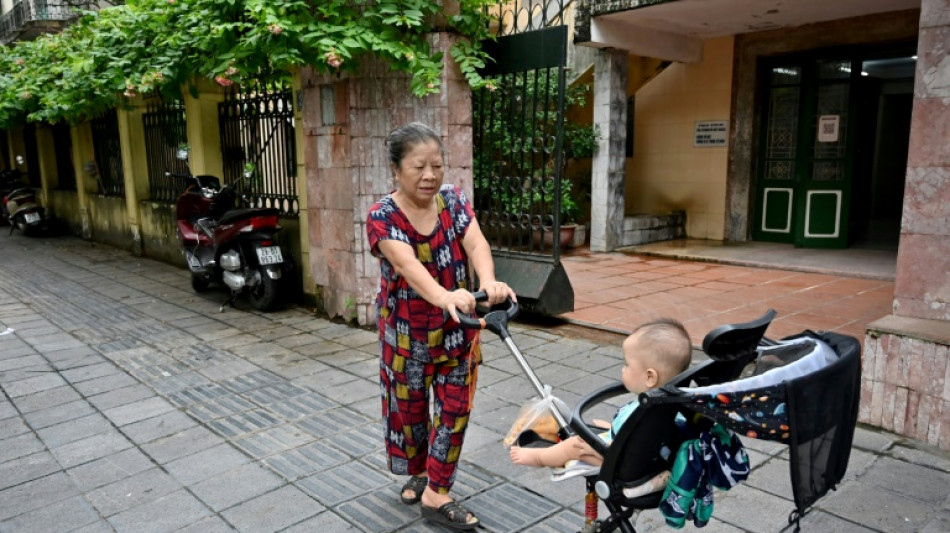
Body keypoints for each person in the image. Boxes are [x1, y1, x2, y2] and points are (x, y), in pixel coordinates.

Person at [366, 122, 516, 532]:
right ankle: (422, 471)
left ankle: (437, 492)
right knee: (411, 419)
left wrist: (487, 282)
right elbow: (406, 265)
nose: (431, 175)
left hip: (458, 334)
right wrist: (445, 296)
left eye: (437, 164)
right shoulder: (382, 216)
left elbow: (476, 242)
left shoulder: (452, 200)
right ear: (396, 169)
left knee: (455, 411)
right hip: (406, 338)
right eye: (419, 167)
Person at [510, 318, 692, 470]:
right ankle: (615, 431)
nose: (623, 369)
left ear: (650, 377)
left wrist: (596, 443)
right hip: (653, 458)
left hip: (624, 466)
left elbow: (628, 449)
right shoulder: (671, 406)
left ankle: (539, 457)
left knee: (574, 445)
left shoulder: (644, 412)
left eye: (627, 364)